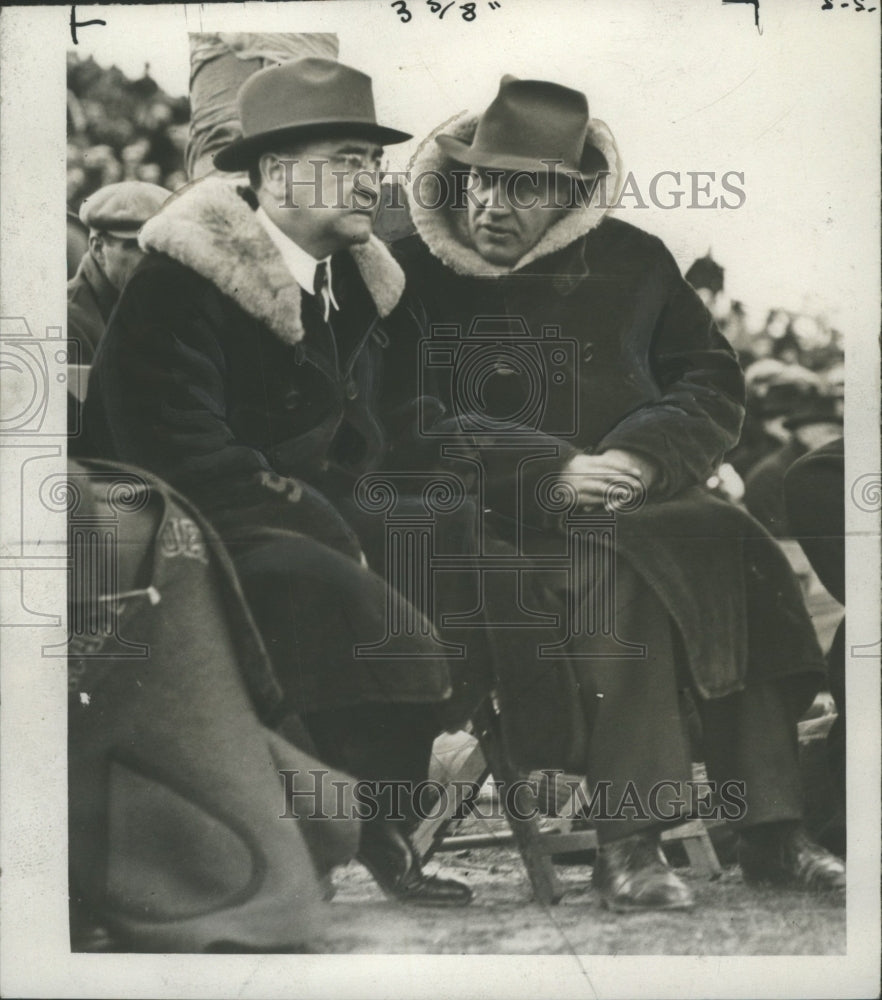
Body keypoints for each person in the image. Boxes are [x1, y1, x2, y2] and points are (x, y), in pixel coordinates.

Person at [390, 74, 846, 911]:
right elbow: (394, 418)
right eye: (483, 179)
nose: (493, 203)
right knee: (626, 571)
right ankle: (629, 841)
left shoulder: (635, 259)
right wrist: (544, 468)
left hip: (641, 499)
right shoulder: (407, 269)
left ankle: (774, 830)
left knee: (731, 542)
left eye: (525, 187)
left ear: (570, 193)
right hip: (485, 524)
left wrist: (639, 457)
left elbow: (711, 385)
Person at [83, 58, 471, 907]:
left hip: (287, 516)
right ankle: (342, 827)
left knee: (449, 543)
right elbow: (174, 453)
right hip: (170, 535)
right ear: (269, 174)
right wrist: (336, 523)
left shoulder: (354, 287)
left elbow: (385, 438)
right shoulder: (177, 282)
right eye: (344, 157)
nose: (368, 178)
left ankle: (384, 815)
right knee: (332, 582)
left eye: (373, 161)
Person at [68, 180, 171, 363]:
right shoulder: (67, 322)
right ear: (98, 248)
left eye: (163, 247)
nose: (156, 262)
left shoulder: (166, 306)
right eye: (139, 248)